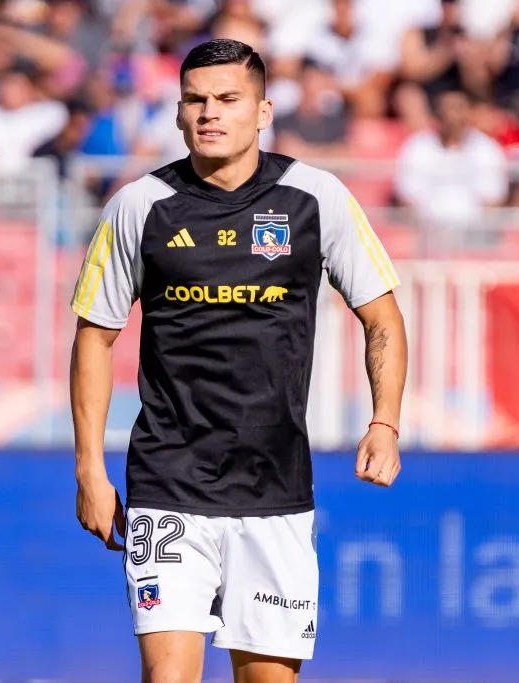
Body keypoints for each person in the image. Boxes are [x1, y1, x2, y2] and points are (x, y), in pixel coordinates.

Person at [69, 38, 407, 683]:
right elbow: (95, 336)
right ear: (176, 114)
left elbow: (382, 315)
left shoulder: (316, 197)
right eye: (195, 100)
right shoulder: (139, 207)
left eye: (228, 99)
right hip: (169, 484)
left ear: (263, 111)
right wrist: (90, 468)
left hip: (274, 489)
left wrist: (384, 422)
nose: (209, 113)